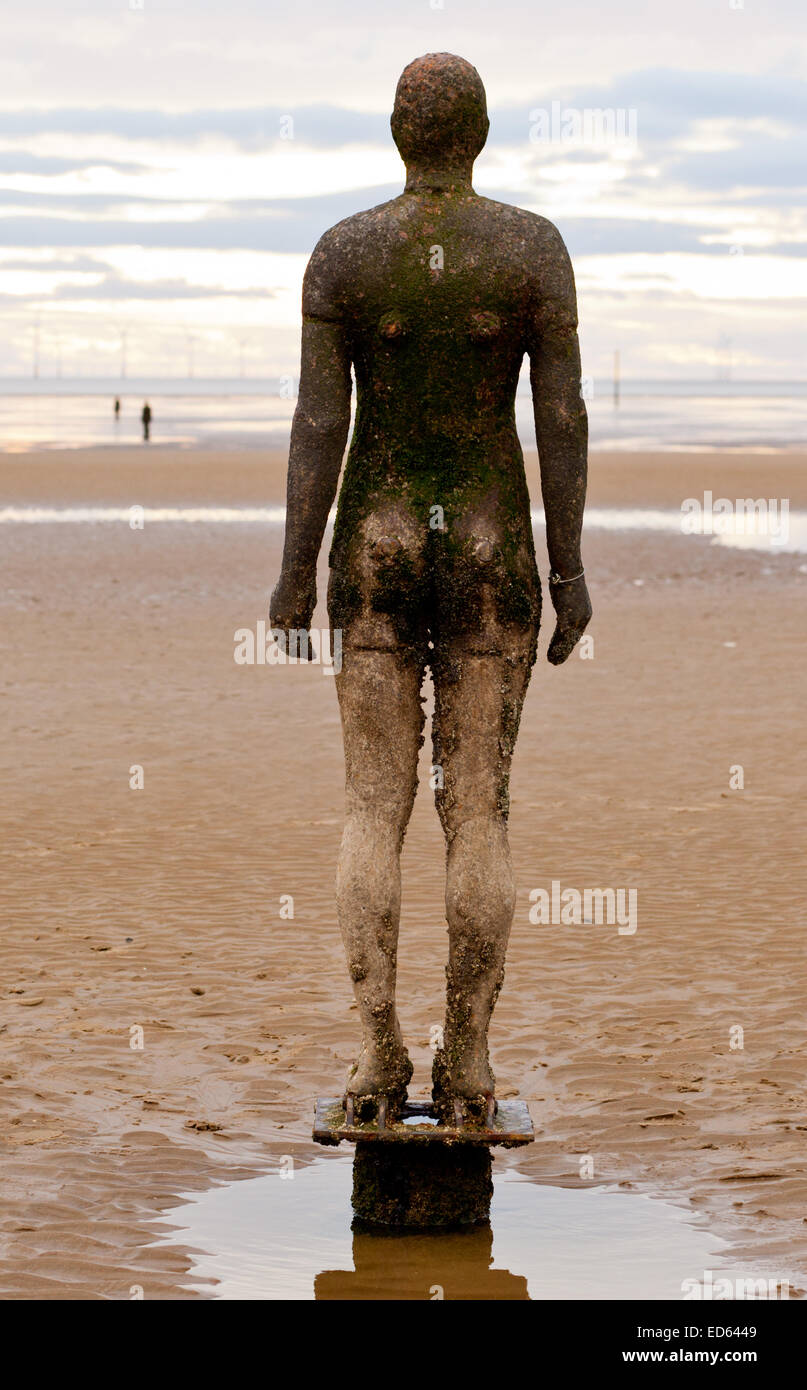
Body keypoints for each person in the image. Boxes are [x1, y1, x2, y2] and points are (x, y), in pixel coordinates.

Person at [270, 53, 591, 1125]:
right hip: (492, 543)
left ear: (397, 135)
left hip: (376, 542)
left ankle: (374, 1061)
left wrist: (290, 573)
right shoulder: (531, 248)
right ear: (483, 132)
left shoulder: (346, 255)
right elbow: (561, 419)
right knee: (479, 815)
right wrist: (569, 568)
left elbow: (321, 423)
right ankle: (470, 1068)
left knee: (372, 806)